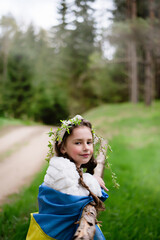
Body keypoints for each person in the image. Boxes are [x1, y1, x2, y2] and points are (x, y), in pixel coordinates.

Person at [26, 115, 109, 240]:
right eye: (78, 143)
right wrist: (92, 180)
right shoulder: (60, 169)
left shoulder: (73, 168)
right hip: (52, 235)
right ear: (62, 147)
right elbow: (73, 199)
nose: (86, 147)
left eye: (89, 142)